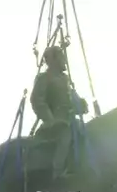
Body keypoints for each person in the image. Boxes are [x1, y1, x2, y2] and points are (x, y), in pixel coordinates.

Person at [30, 45, 89, 180]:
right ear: (52, 60)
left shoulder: (65, 79)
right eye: (61, 57)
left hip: (70, 120)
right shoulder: (44, 78)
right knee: (65, 135)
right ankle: (58, 172)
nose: (64, 60)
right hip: (54, 122)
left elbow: (70, 98)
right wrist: (50, 120)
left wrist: (80, 104)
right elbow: (37, 101)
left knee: (88, 134)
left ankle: (87, 170)